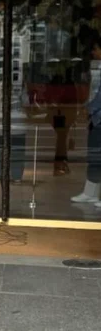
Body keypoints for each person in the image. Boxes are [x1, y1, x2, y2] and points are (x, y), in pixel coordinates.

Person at [71, 36, 101, 205]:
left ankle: (92, 193)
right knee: (95, 157)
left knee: (97, 156)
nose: (94, 52)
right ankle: (90, 193)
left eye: (96, 49)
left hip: (98, 118)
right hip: (97, 120)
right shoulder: (97, 69)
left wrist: (87, 109)